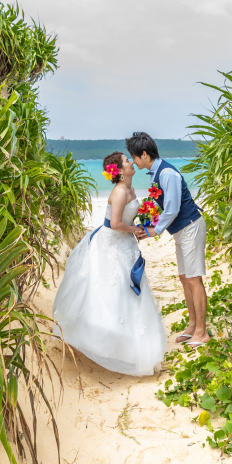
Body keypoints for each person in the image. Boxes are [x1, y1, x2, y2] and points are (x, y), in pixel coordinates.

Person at [52, 151, 167, 376]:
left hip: (125, 245)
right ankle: (104, 341)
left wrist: (147, 219)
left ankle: (129, 345)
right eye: (127, 161)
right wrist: (136, 229)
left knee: (130, 291)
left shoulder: (131, 189)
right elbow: (115, 223)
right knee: (110, 291)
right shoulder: (120, 191)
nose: (131, 162)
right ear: (120, 171)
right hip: (111, 244)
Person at [126, 131, 209, 347]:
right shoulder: (156, 173)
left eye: (134, 156)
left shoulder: (167, 174)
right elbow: (161, 205)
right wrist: (149, 223)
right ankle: (192, 325)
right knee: (184, 277)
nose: (133, 161)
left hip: (190, 227)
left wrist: (154, 231)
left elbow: (172, 208)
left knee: (194, 279)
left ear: (144, 154)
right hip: (181, 231)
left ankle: (202, 332)